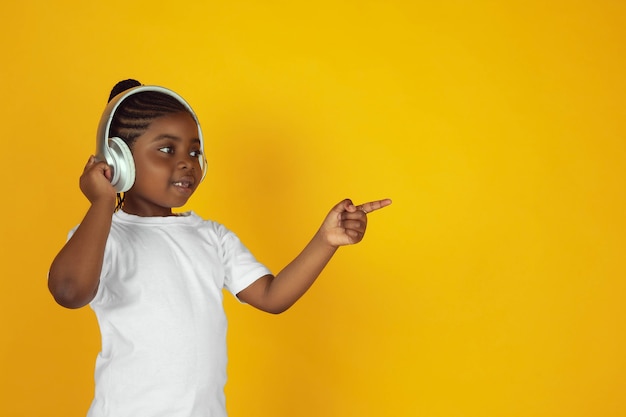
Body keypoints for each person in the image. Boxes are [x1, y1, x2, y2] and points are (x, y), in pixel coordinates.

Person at [48, 79, 392, 417]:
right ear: (119, 160)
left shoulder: (211, 237)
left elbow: (272, 297)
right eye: (167, 149)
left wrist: (325, 240)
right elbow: (68, 290)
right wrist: (101, 203)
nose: (187, 162)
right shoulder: (104, 235)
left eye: (194, 152)